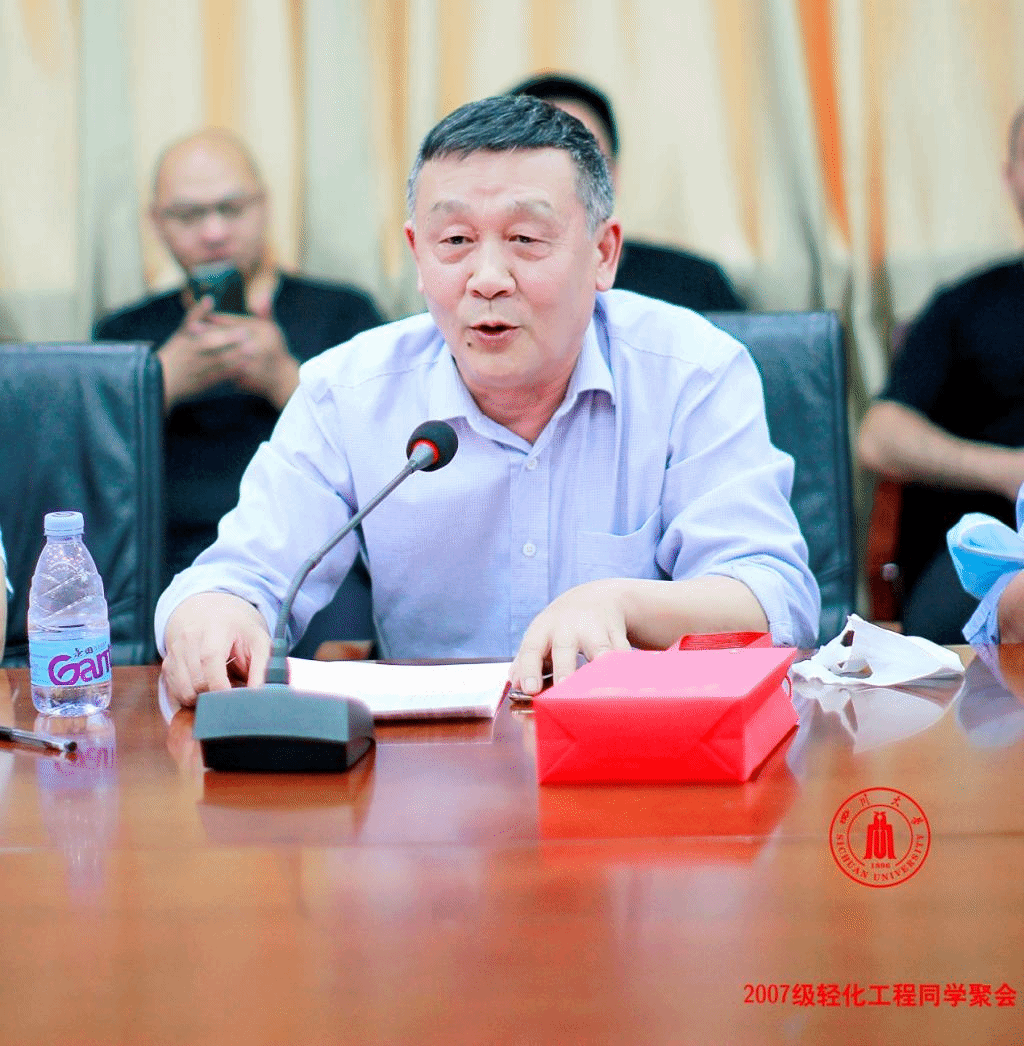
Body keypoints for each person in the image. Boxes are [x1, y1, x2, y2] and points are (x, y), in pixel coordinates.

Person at [156, 94, 819, 707]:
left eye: (526, 240)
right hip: (431, 768)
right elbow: (237, 576)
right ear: (418, 256)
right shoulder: (346, 393)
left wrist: (621, 604)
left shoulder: (692, 371)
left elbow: (773, 596)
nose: (489, 278)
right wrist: (216, 612)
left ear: (603, 253)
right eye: (455, 242)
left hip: (639, 749)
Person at [94, 129, 384, 584]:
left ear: (263, 205)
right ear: (156, 223)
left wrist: (284, 377)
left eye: (231, 209)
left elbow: (385, 452)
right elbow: (85, 469)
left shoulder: (343, 313)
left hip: (319, 558)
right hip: (164, 559)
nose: (214, 232)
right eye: (188, 215)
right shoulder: (125, 334)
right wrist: (160, 381)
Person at [858, 103, 1024, 643]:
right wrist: (1008, 470)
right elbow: (878, 437)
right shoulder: (965, 307)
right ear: (1010, 177)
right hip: (992, 546)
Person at [509, 72, 745, 312]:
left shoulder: (697, 284)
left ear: (613, 176)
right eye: (536, 162)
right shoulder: (490, 285)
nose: (559, 182)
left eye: (582, 162)